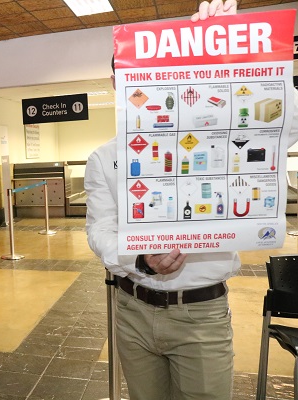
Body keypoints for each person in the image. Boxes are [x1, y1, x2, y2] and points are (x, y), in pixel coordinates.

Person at [85, 1, 298, 398]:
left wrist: (233, 56)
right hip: (132, 311)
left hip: (202, 316)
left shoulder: (230, 128)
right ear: (119, 85)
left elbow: (285, 119)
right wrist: (142, 258)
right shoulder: (104, 158)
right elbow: (99, 229)